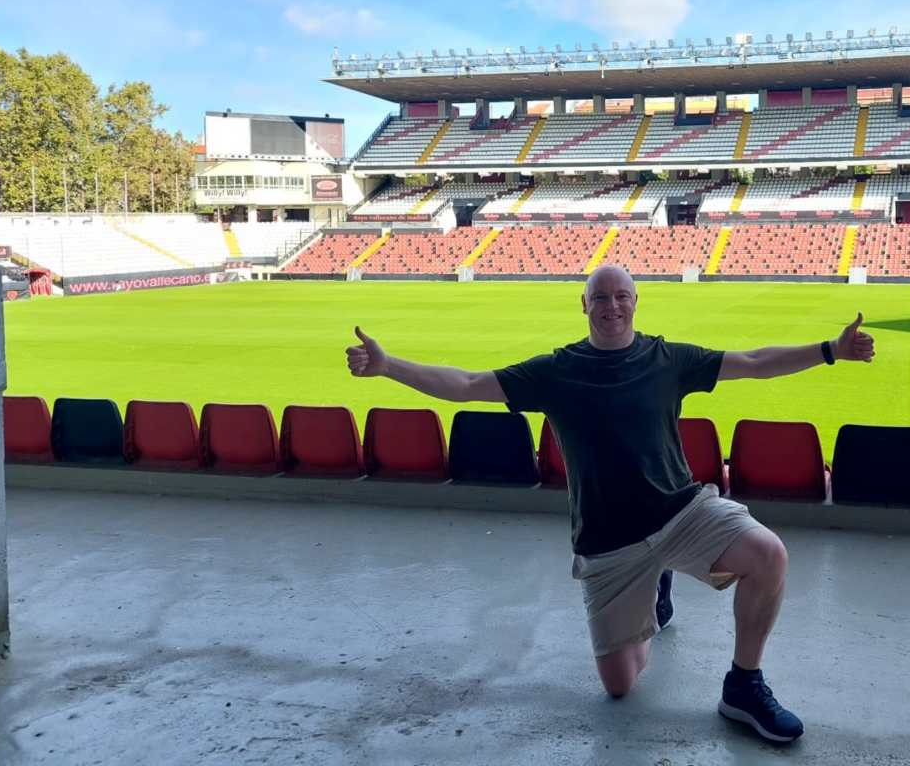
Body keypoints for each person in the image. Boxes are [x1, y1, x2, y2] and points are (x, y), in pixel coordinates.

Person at [345, 264, 874, 743]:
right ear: (584, 304)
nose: (612, 306)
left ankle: (743, 686)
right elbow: (466, 384)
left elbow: (754, 362)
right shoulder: (555, 372)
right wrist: (388, 366)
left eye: (622, 296)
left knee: (769, 554)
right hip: (608, 541)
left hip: (681, 512)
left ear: (636, 302)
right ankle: (653, 593)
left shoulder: (668, 359)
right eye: (601, 297)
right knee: (620, 685)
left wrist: (831, 349)